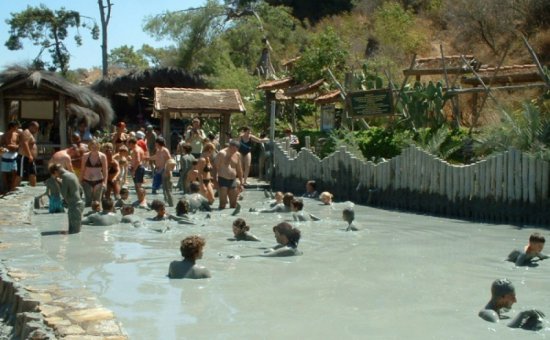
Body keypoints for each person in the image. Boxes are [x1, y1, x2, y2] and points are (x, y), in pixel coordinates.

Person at [479, 278, 545, 330]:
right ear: (502, 297)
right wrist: (522, 314)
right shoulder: (490, 313)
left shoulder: (498, 310)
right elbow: (502, 330)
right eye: (512, 297)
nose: (515, 301)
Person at [50, 163, 84, 234]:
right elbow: (80, 190)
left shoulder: (64, 176)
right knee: (75, 231)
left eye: (55, 175)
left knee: (74, 232)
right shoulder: (72, 174)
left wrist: (58, 182)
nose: (57, 176)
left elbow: (63, 194)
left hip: (74, 206)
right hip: (79, 204)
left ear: (56, 172)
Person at [214, 140, 244, 209]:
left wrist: (241, 183)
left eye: (235, 150)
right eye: (233, 149)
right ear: (229, 146)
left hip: (233, 180)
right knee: (223, 205)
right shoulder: (221, 153)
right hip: (223, 179)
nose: (234, 151)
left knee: (233, 205)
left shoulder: (237, 155)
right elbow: (215, 168)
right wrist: (215, 180)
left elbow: (239, 169)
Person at [80, 139, 108, 207]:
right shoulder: (85, 156)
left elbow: (105, 170)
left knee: (98, 201)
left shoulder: (102, 156)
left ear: (99, 147)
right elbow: (82, 169)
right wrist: (80, 181)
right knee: (88, 201)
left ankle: (97, 216)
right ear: (90, 147)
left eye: (96, 147)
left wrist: (105, 182)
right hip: (87, 180)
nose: (94, 149)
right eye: (93, 147)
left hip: (99, 181)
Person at [17, 121, 40, 187]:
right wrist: (30, 155)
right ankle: (12, 192)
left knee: (33, 173)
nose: (37, 130)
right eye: (36, 128)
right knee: (20, 175)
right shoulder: (26, 132)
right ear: (31, 126)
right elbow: (25, 144)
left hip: (30, 158)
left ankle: (33, 189)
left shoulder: (30, 134)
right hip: (24, 156)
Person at [1, 121, 20, 194]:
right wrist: (6, 147)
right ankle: (6, 188)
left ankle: (12, 188)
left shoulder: (17, 135)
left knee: (14, 171)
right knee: (5, 172)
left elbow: (19, 144)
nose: (17, 128)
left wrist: (14, 147)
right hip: (6, 155)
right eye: (16, 126)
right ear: (12, 127)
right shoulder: (4, 135)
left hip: (14, 155)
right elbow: (1, 145)